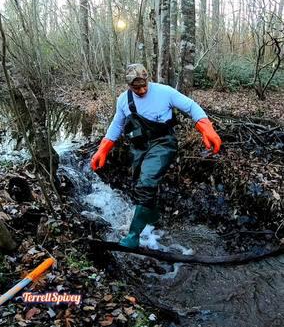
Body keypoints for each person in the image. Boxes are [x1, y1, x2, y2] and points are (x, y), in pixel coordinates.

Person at [90, 63, 222, 249]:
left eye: (144, 85)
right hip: (140, 146)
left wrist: (205, 127)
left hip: (163, 143)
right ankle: (152, 217)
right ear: (129, 86)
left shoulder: (164, 92)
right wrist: (103, 148)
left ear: (148, 79)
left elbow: (191, 107)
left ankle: (133, 236)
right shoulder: (123, 100)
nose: (142, 90)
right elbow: (117, 125)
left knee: (147, 181)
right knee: (140, 183)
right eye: (137, 88)